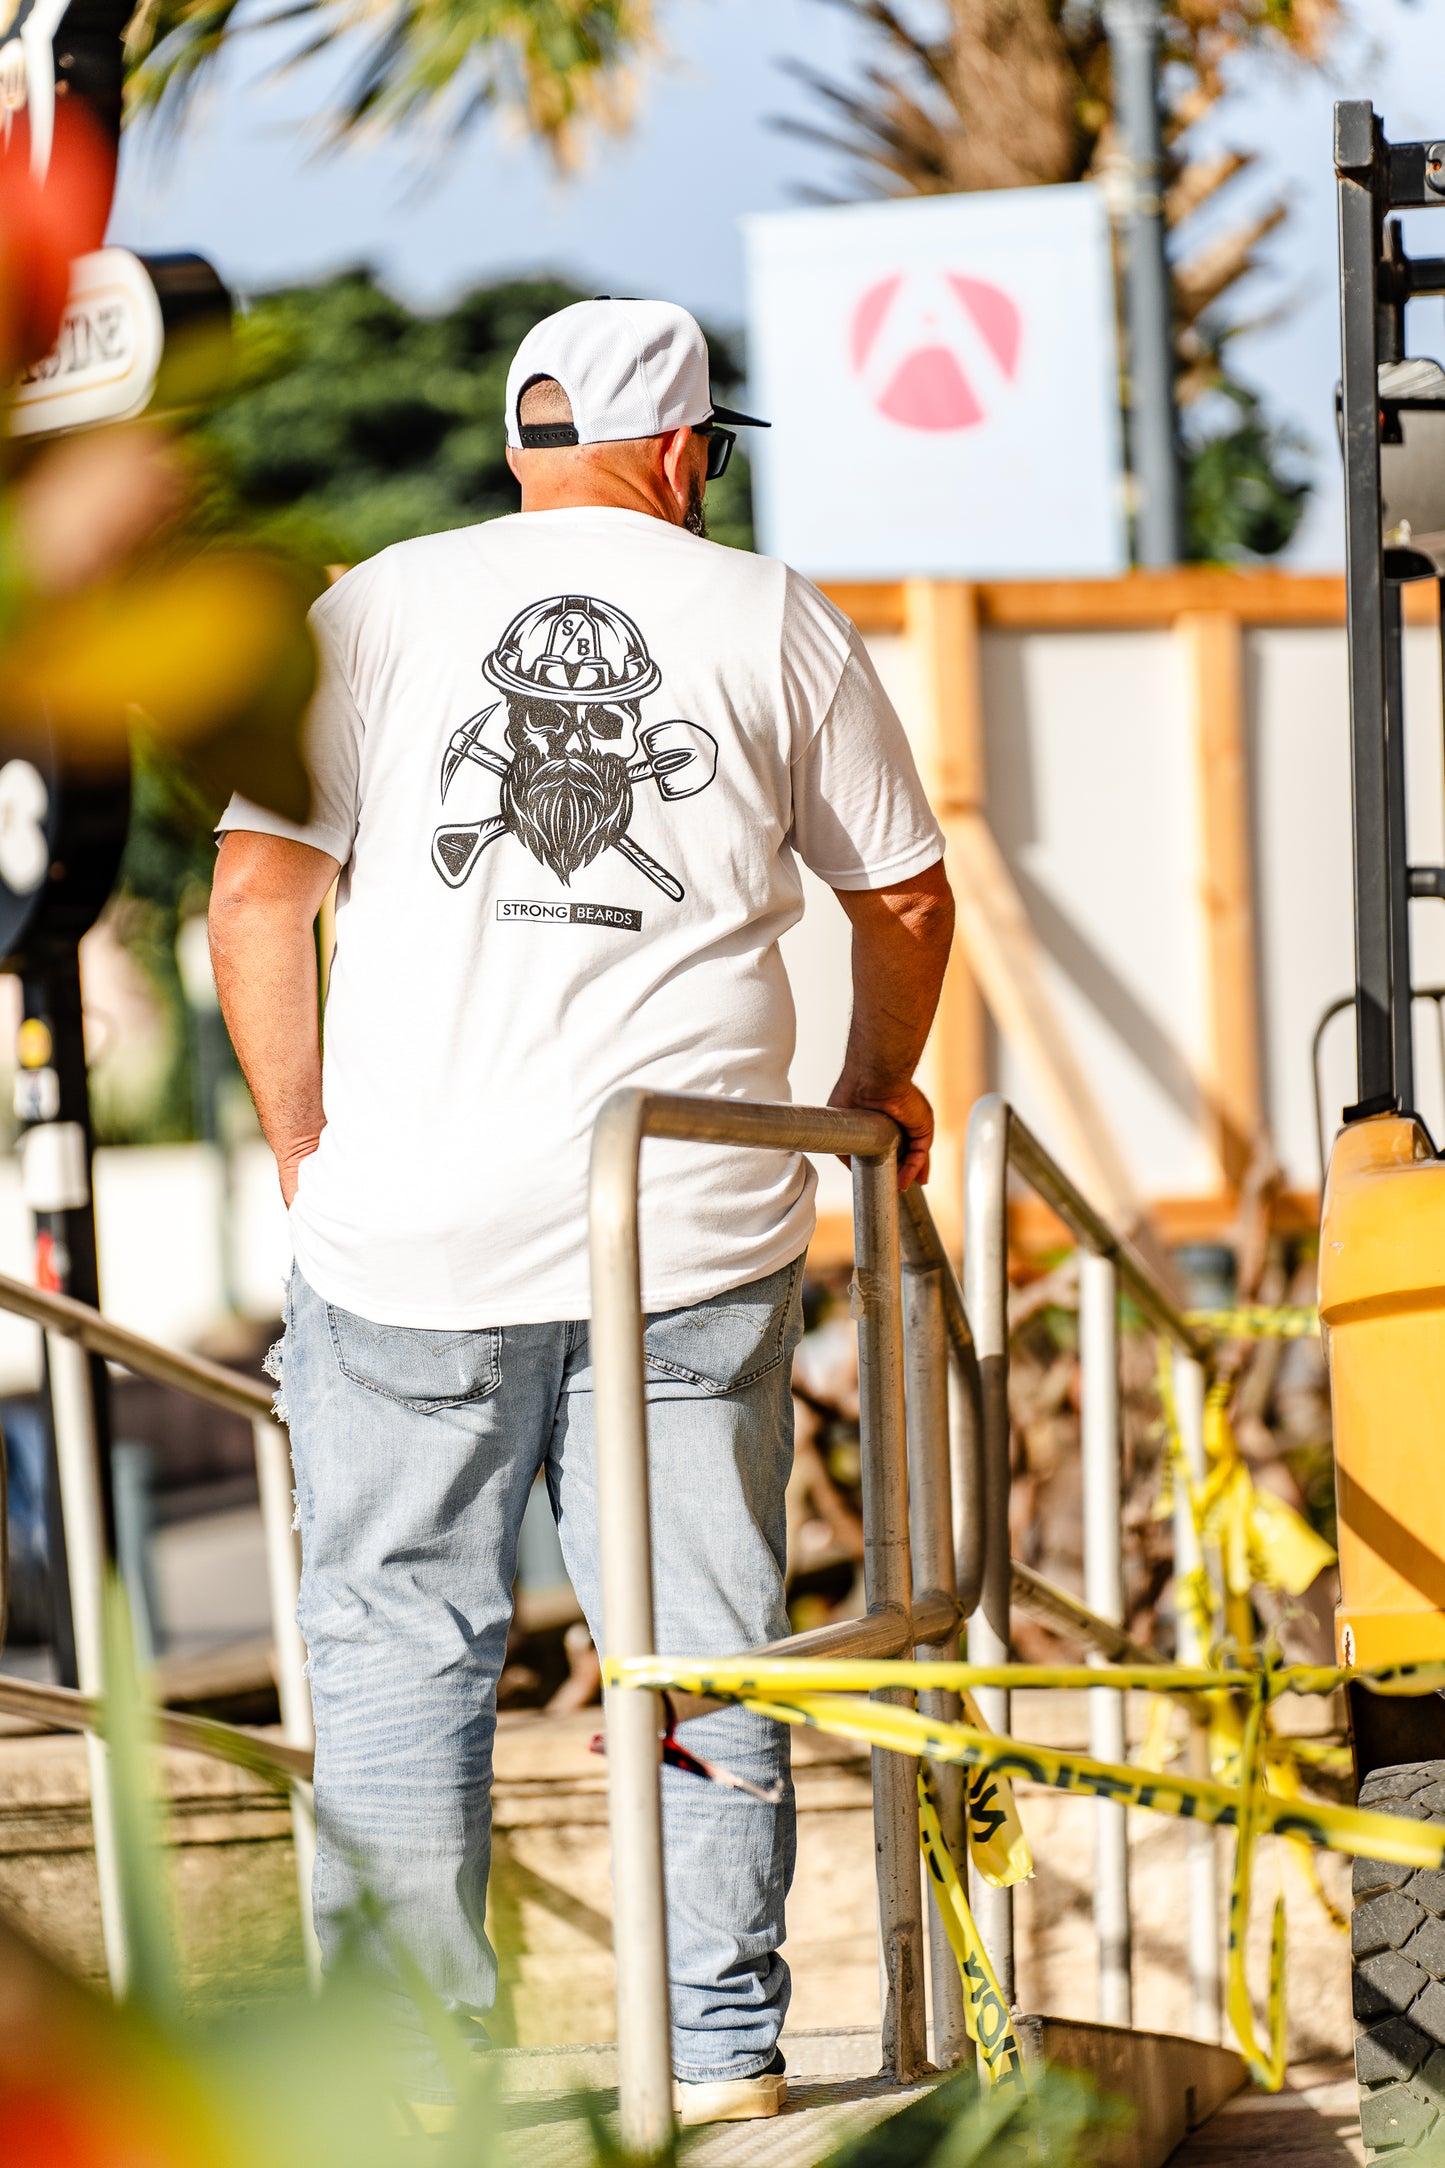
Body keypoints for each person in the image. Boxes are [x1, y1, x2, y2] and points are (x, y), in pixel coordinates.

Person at [208, 297, 954, 2127]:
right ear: (692, 449)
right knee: (702, 1651)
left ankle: (402, 2086)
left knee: (398, 1650)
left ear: (525, 438)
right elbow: (908, 905)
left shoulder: (369, 606)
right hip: (685, 1230)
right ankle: (718, 2060)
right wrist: (863, 1098)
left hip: (412, 1239)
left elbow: (252, 899)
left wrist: (308, 1137)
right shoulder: (769, 615)